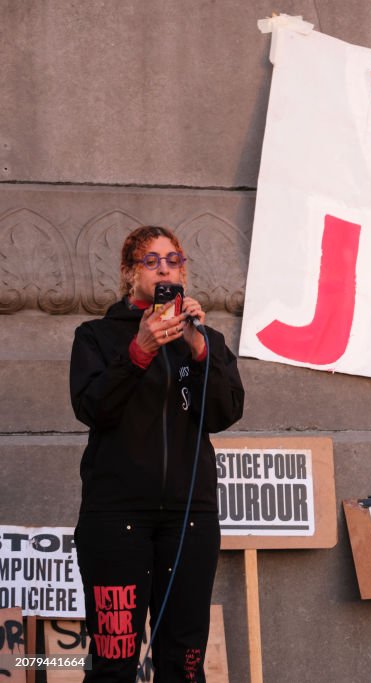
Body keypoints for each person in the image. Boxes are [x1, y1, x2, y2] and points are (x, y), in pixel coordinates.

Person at [70, 225, 245, 682]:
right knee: (114, 662)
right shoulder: (97, 336)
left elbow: (226, 412)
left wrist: (200, 348)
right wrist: (140, 350)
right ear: (131, 273)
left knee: (184, 664)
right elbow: (93, 409)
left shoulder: (205, 340)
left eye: (173, 259)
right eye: (151, 260)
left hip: (190, 519)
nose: (164, 267)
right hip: (116, 519)